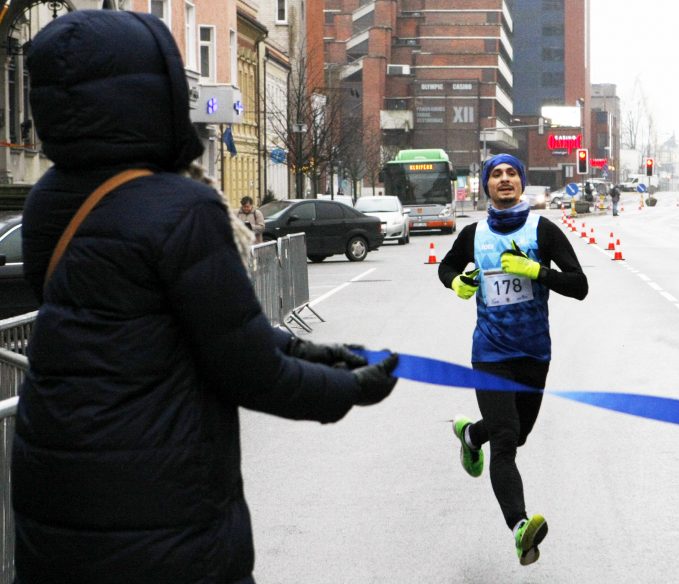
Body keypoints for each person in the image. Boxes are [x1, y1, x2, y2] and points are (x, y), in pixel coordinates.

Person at [13, 11, 399, 583]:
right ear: (158, 92)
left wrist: (307, 351)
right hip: (160, 505)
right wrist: (347, 388)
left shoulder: (48, 202)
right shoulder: (180, 208)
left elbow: (163, 326)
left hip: (58, 489)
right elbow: (247, 370)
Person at [437, 154, 588, 566]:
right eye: (496, 175)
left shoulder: (544, 230)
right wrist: (458, 281)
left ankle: (471, 436)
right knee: (506, 442)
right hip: (490, 353)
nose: (504, 180)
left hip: (535, 353)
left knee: (516, 433)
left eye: (512, 174)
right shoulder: (474, 234)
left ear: (522, 183)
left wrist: (537, 271)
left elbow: (580, 286)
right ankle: (520, 527)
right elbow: (447, 265)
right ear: (486, 185)